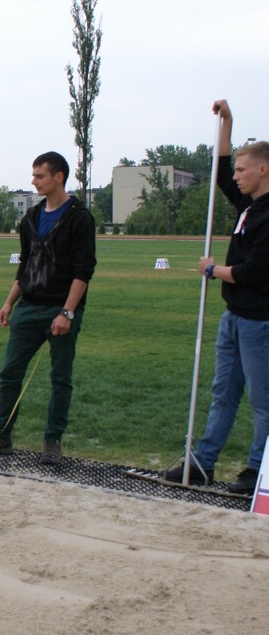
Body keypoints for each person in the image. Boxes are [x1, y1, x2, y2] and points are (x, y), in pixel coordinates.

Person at [159, 100, 269, 496]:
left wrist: (212, 270)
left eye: (243, 170)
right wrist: (228, 123)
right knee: (223, 392)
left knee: (262, 399)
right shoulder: (248, 205)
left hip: (261, 321)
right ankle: (203, 463)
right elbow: (221, 174)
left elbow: (256, 271)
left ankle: (258, 470)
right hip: (233, 317)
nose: (236, 176)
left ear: (263, 169)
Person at [0, 152, 96, 465]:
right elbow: (27, 266)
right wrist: (9, 301)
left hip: (62, 309)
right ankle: (1, 436)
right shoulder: (30, 219)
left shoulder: (80, 217)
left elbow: (84, 271)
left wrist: (67, 312)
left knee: (60, 377)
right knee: (9, 372)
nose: (33, 181)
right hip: (29, 307)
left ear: (59, 177)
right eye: (34, 175)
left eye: (40, 176)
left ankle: (52, 440)